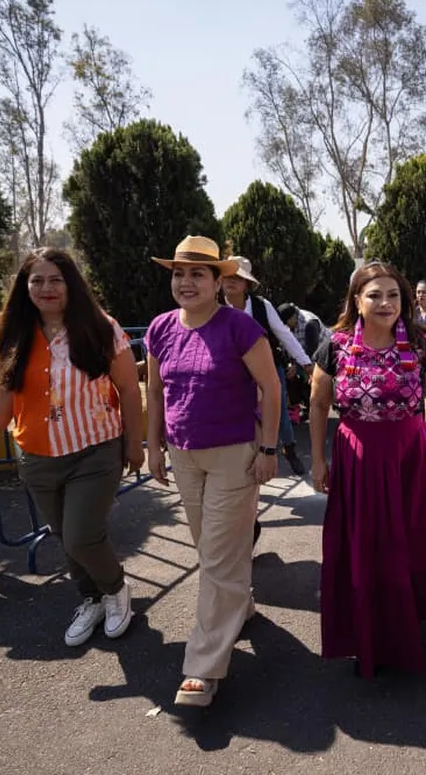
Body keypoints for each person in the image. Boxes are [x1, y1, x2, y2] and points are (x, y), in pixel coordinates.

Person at [0, 248, 144, 646]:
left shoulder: (101, 328)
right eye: (37, 280)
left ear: (72, 285)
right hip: (37, 456)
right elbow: (4, 393)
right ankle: (92, 599)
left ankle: (116, 589)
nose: (46, 288)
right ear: (24, 286)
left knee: (81, 535)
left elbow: (127, 389)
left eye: (55, 280)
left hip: (95, 449)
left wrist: (134, 444)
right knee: (64, 535)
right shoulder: (14, 331)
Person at [144, 236, 281, 708]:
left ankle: (202, 666)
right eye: (179, 273)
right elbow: (156, 392)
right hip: (184, 455)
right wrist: (153, 446)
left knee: (217, 557)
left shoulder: (240, 327)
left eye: (197, 274)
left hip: (233, 454)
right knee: (211, 547)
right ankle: (239, 605)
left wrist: (268, 448)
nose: (186, 282)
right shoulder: (160, 328)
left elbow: (270, 387)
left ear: (218, 281)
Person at [309, 261, 426, 678]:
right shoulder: (335, 345)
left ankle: (405, 622)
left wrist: (423, 441)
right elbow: (318, 403)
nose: (385, 303)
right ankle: (368, 636)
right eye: (374, 295)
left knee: (411, 544)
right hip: (358, 460)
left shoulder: (421, 343)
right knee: (363, 549)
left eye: (393, 295)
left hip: (408, 457)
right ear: (357, 301)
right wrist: (318, 459)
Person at [221, 256, 312, 476]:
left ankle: (290, 450)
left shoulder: (262, 306)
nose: (231, 281)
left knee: (278, 413)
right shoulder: (214, 307)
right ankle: (241, 460)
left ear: (247, 284)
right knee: (234, 413)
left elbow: (284, 334)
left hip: (268, 368)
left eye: (237, 277)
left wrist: (306, 363)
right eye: (227, 276)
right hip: (232, 373)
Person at [278, 302, 328, 422]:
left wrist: (297, 367)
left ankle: (316, 408)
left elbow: (312, 350)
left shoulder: (309, 323)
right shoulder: (290, 324)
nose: (286, 326)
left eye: (286, 322)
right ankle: (306, 406)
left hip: (323, 355)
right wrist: (290, 364)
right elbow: (288, 346)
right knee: (291, 375)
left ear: (293, 317)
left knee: (311, 378)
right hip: (304, 357)